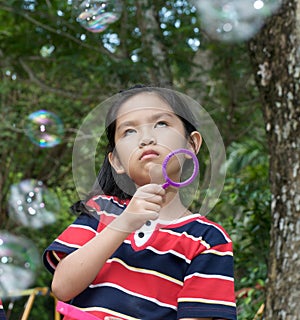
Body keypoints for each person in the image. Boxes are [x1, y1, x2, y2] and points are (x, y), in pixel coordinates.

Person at [43, 86, 237, 320]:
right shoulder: (100, 211)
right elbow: (62, 287)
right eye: (129, 131)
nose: (146, 138)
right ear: (116, 162)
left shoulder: (207, 239)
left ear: (191, 144)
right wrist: (124, 222)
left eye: (161, 124)